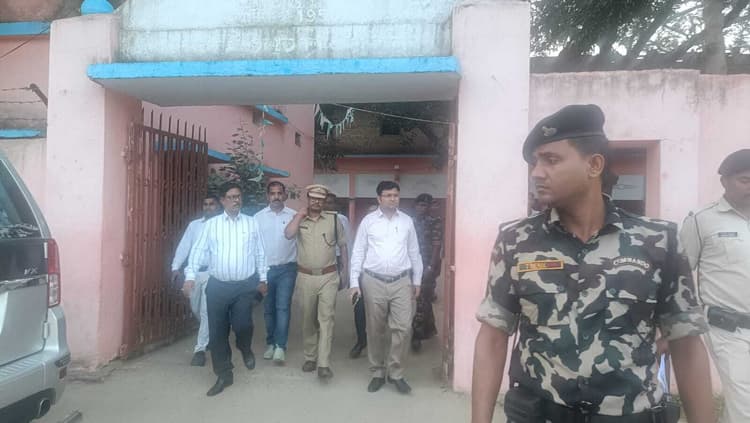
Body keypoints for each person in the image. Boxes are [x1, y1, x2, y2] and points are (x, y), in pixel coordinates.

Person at [471, 104, 714, 423]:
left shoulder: (657, 240)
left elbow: (686, 343)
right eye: (534, 162)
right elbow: (492, 337)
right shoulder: (516, 240)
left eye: (551, 160)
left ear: (594, 165)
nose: (537, 173)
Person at [679, 148, 750, 423]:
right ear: (724, 181)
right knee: (746, 408)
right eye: (745, 180)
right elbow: (680, 274)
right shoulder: (702, 219)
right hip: (728, 329)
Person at [183, 182, 268, 397]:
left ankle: (244, 347)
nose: (235, 200)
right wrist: (190, 276)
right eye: (231, 197)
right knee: (217, 333)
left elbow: (260, 252)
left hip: (244, 286)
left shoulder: (251, 223)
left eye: (238, 196)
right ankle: (224, 374)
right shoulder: (211, 225)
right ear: (222, 201)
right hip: (218, 286)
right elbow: (197, 251)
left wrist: (263, 278)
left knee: (243, 324)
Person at [349, 180, 423, 395]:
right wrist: (354, 283)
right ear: (379, 198)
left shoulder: (407, 221)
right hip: (373, 280)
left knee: (404, 328)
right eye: (388, 195)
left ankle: (396, 372)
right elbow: (358, 251)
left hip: (401, 281)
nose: (393, 199)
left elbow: (414, 252)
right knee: (375, 328)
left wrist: (417, 280)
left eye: (396, 195)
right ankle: (377, 372)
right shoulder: (368, 222)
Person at [284, 184, 348, 380]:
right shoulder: (299, 219)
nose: (316, 202)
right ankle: (310, 357)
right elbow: (288, 234)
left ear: (324, 201)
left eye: (320, 199)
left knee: (326, 320)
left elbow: (343, 246)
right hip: (305, 277)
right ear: (308, 199)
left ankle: (323, 363)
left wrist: (345, 271)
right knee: (308, 320)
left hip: (329, 276)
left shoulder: (334, 219)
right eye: (313, 198)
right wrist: (299, 216)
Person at [170, 194, 221, 367]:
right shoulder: (194, 225)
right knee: (195, 307)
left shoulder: (222, 225)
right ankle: (212, 331)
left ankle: (200, 350)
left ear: (218, 206)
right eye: (205, 204)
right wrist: (175, 266)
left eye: (212, 204)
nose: (208, 207)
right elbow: (184, 246)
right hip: (193, 273)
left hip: (212, 273)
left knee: (206, 310)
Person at [255, 181, 297, 365]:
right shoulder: (258, 218)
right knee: (268, 309)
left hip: (287, 268)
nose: (276, 197)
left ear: (285, 195)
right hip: (266, 270)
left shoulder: (294, 216)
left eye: (279, 193)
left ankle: (280, 346)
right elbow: (254, 247)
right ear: (267, 196)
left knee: (283, 307)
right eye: (272, 193)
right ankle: (271, 343)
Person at [322, 192, 365, 359]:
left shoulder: (342, 220)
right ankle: (323, 334)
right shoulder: (315, 219)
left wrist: (348, 269)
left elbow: (348, 243)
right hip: (321, 262)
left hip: (339, 259)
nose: (328, 205)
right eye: (326, 202)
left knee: (333, 295)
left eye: (331, 203)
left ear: (336, 205)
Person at [410, 193, 442, 352]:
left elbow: (437, 246)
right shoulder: (409, 221)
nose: (422, 208)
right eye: (420, 205)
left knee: (422, 300)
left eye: (425, 205)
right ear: (415, 206)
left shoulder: (434, 222)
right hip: (410, 265)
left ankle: (416, 335)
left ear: (429, 207)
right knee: (425, 299)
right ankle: (429, 328)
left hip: (427, 265)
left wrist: (431, 267)